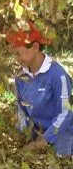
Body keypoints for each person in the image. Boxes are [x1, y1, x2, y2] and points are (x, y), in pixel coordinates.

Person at [6, 21, 73, 155]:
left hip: (61, 132)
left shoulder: (57, 75)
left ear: (35, 47)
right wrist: (24, 133)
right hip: (37, 132)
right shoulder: (20, 77)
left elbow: (66, 113)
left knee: (58, 157)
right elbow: (21, 111)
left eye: (18, 53)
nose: (16, 58)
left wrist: (44, 140)